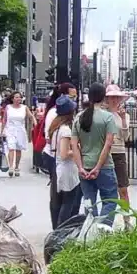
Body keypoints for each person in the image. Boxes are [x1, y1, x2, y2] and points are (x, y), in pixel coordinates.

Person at [74, 83, 120, 224]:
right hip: (104, 167)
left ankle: (90, 232)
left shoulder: (79, 117)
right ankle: (102, 231)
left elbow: (74, 145)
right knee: (110, 200)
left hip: (85, 167)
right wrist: (98, 167)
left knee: (89, 202)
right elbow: (108, 144)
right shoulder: (108, 117)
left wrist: (80, 167)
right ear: (104, 97)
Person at [48, 95, 83, 229]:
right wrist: (77, 149)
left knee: (58, 203)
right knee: (68, 203)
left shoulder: (55, 128)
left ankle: (57, 230)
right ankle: (62, 232)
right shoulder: (66, 131)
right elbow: (64, 154)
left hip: (58, 169)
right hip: (67, 171)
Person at [103, 84, 132, 207]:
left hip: (119, 152)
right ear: (107, 99)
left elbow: (126, 137)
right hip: (106, 152)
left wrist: (123, 119)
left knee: (123, 188)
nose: (114, 100)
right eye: (111, 97)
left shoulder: (125, 115)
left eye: (117, 97)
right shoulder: (102, 114)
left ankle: (127, 220)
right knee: (106, 189)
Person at [0, 91, 34, 177]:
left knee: (18, 149)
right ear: (12, 99)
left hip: (20, 130)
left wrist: (36, 124)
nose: (19, 99)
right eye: (16, 97)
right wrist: (2, 132)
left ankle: (17, 167)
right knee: (11, 148)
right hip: (10, 130)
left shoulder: (24, 107)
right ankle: (11, 167)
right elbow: (4, 120)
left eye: (20, 97)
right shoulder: (8, 107)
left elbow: (31, 116)